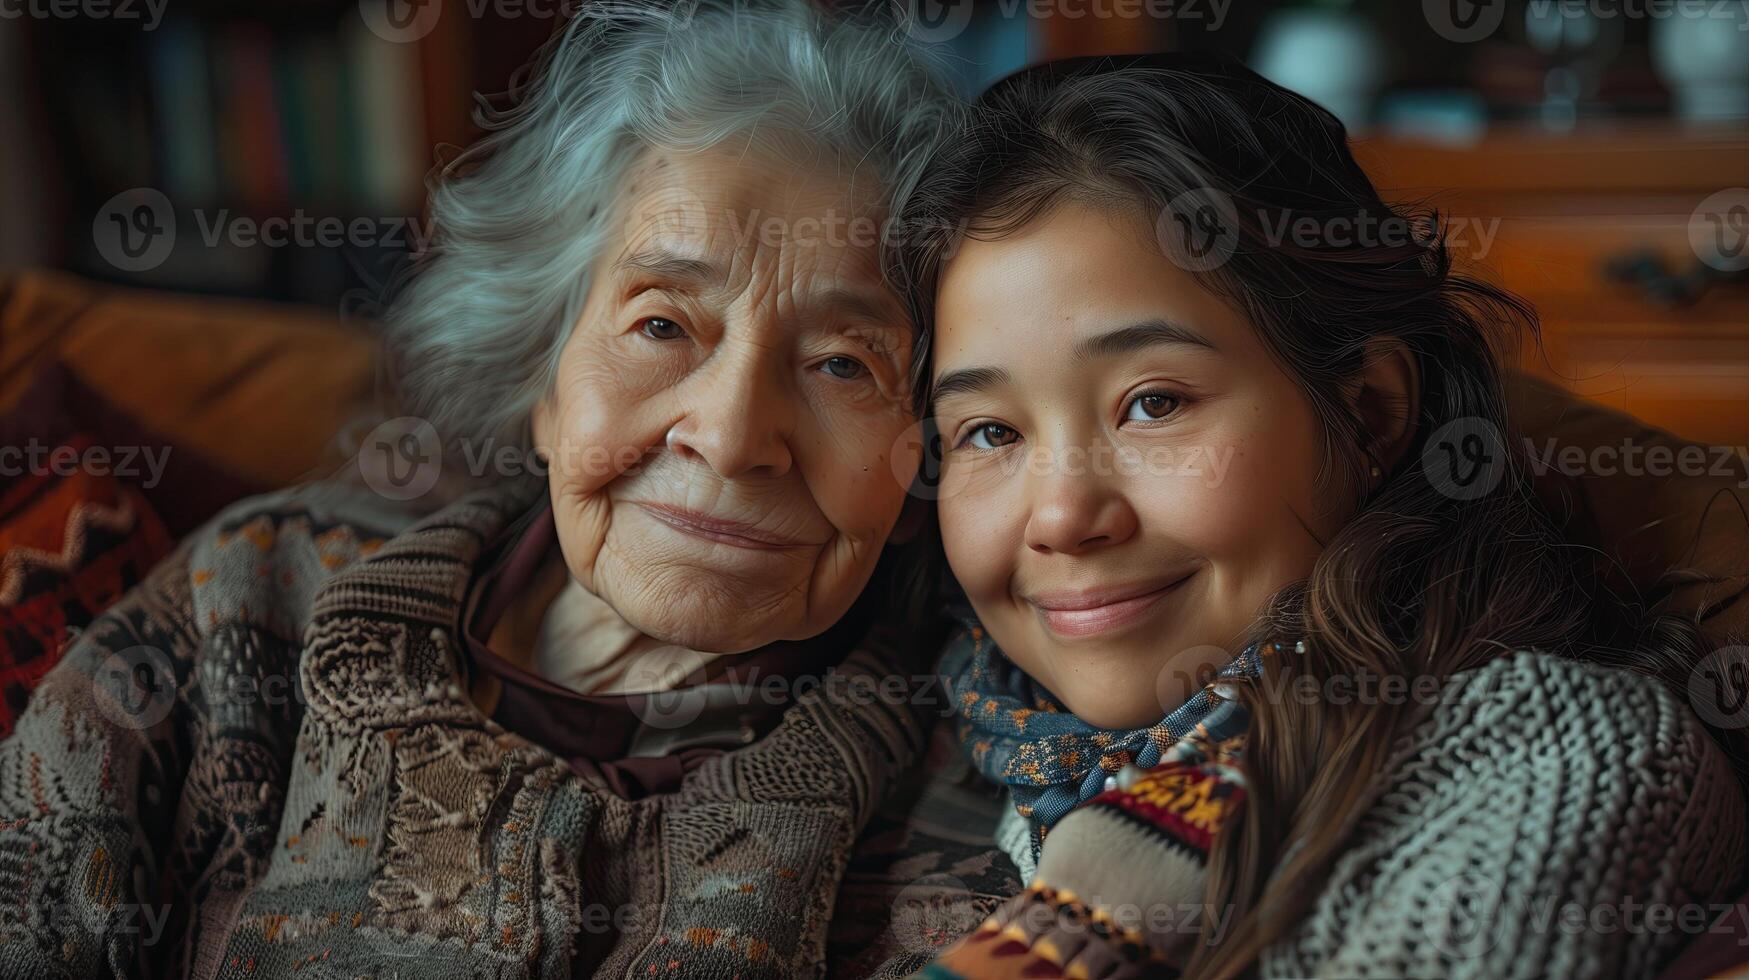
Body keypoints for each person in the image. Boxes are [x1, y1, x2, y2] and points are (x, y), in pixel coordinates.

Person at [0, 3, 965, 977]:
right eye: (663, 325)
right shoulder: (246, 602)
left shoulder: (958, 796)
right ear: (543, 378)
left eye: (845, 364)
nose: (729, 436)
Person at [894, 53, 1746, 979]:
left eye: (1153, 404)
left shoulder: (1552, 758)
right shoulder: (901, 721)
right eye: (986, 430)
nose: (1061, 514)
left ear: (1369, 410)